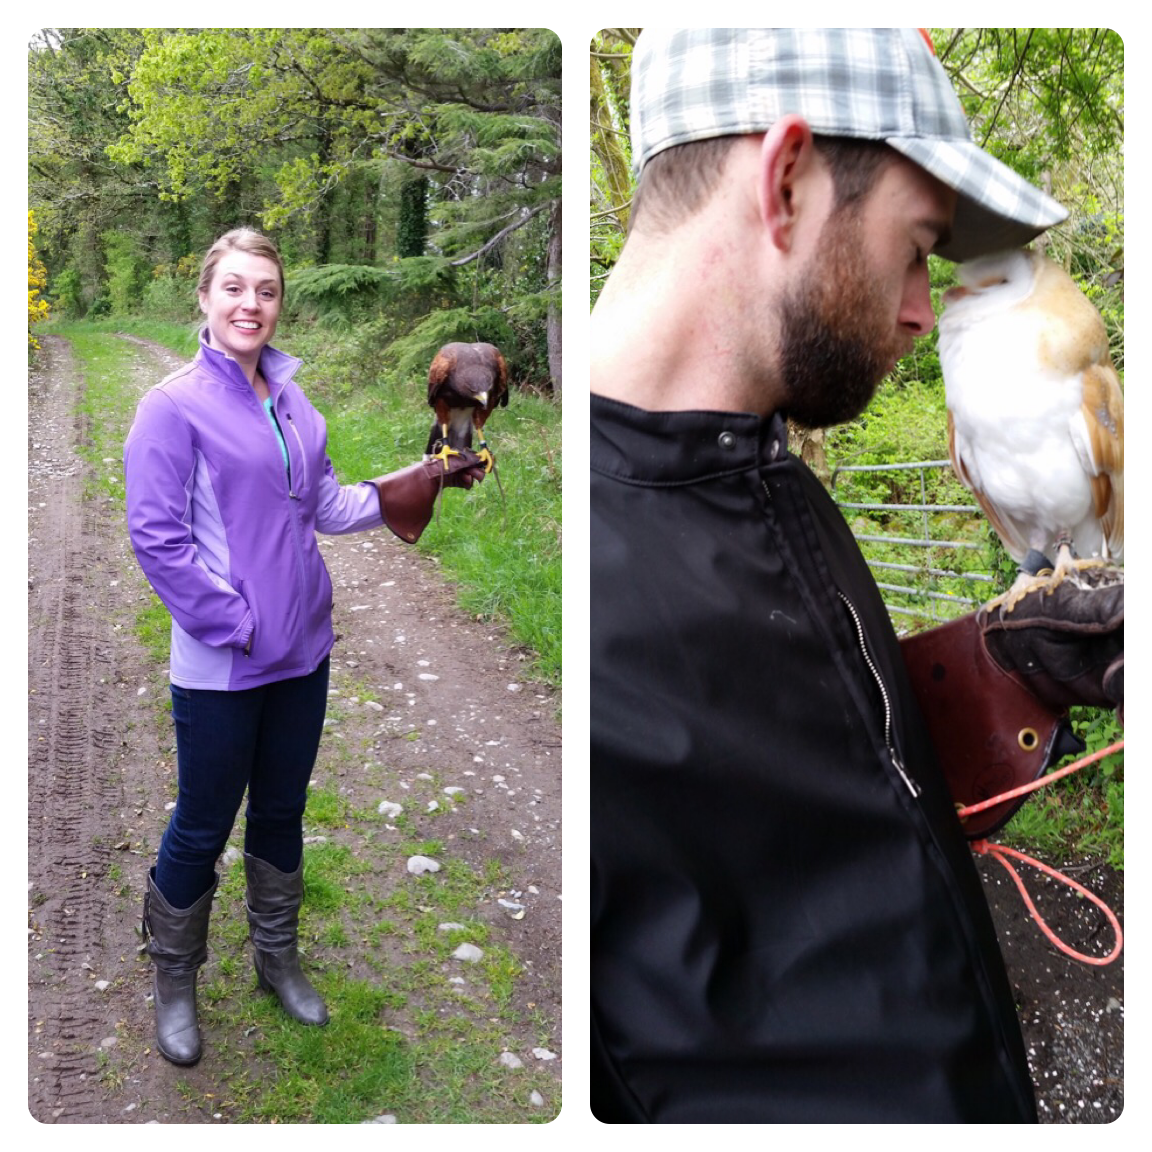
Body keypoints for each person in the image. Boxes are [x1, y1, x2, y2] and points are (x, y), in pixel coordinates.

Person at [591, 28, 1121, 1123]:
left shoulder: (767, 471)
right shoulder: (581, 582)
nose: (925, 308)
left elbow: (822, 803)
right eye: (919, 243)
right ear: (784, 182)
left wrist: (1007, 675)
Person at [124, 228, 485, 1066]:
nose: (252, 304)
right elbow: (157, 540)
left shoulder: (294, 404)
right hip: (224, 663)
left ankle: (276, 960)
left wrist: (423, 475)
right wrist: (235, 625)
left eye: (268, 291)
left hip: (304, 654)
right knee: (204, 822)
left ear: (281, 305)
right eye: (236, 289)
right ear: (206, 300)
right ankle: (174, 980)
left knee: (282, 811)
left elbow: (325, 503)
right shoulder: (171, 408)